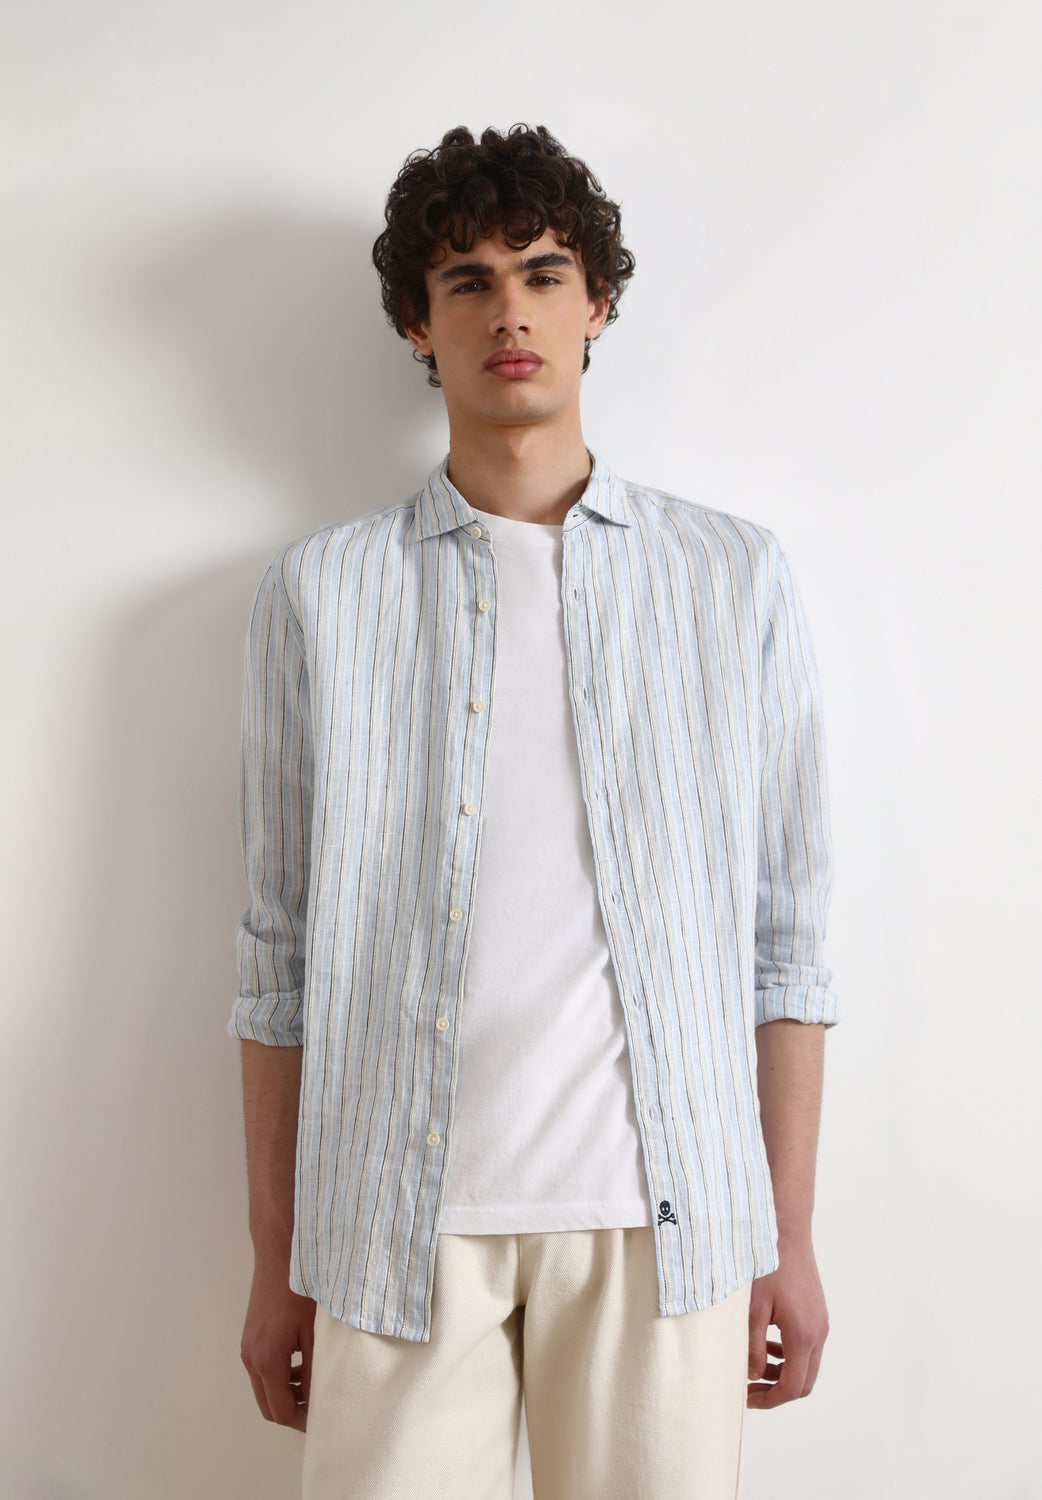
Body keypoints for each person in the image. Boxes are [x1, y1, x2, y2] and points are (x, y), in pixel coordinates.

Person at [230, 123, 839, 1499]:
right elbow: (277, 963)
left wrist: (785, 1237)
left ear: (596, 304)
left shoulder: (731, 579)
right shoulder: (321, 594)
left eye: (544, 273)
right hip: (389, 1224)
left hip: (667, 1218)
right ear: (417, 324)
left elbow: (786, 944)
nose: (509, 311)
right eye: (468, 280)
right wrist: (277, 1265)